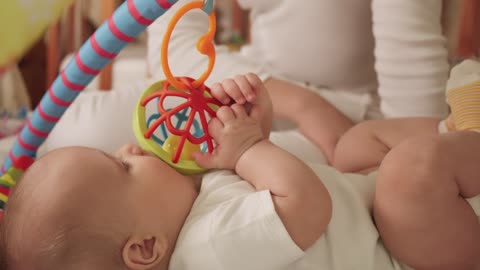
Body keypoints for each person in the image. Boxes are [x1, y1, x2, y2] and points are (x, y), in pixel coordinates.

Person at [0, 71, 479, 270]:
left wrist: (253, 127)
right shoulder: (208, 251)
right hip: (399, 253)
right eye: (122, 167)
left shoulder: (193, 207)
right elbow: (306, 205)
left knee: (357, 145)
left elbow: (268, 180)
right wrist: (246, 148)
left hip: (375, 215)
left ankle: (460, 131)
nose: (131, 148)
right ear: (146, 248)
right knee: (407, 174)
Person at [148, 0, 456, 162]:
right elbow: (170, 49)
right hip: (257, 91)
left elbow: (411, 67)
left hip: (360, 118)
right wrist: (304, 106)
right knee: (101, 126)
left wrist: (409, 158)